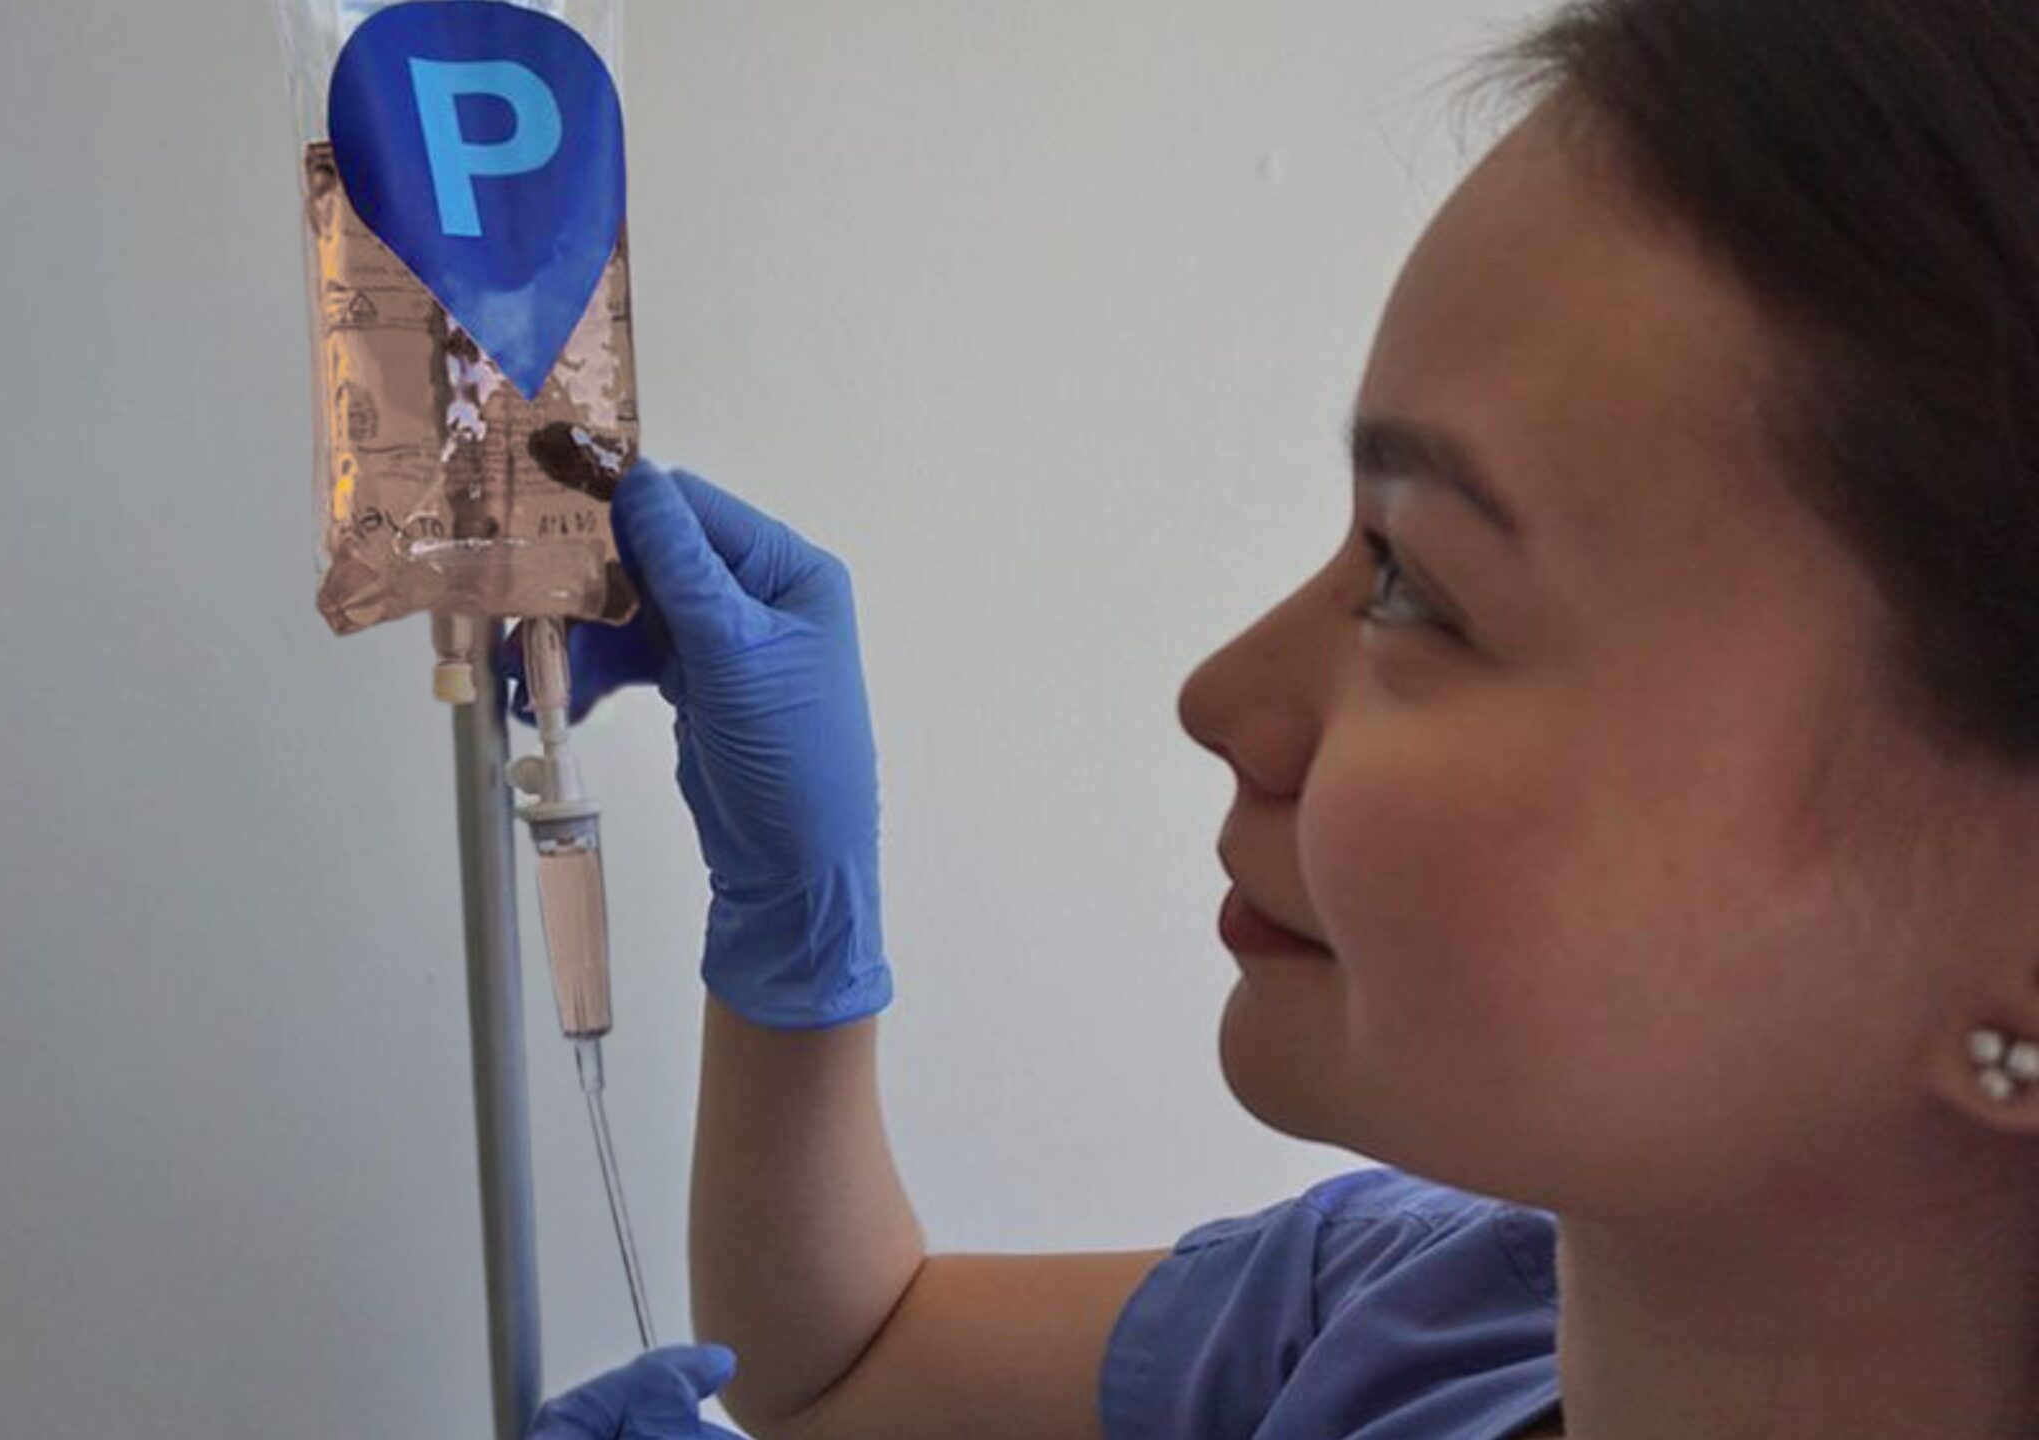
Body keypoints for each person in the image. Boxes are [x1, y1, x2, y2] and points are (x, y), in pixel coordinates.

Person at [504, 0, 2039, 1434]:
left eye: (1420, 589)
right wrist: (800, 920)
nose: (1219, 696)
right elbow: (846, 1357)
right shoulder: (1416, 1317)